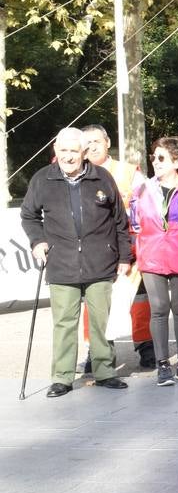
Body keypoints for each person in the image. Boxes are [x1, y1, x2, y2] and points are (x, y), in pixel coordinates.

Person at [22, 127, 133, 396]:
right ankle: (62, 377)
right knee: (64, 322)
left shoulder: (101, 177)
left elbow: (120, 221)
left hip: (100, 261)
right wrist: (38, 241)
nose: (68, 156)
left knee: (100, 320)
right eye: (63, 150)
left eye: (74, 151)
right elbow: (29, 216)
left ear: (84, 153)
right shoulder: (42, 179)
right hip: (61, 263)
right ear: (55, 151)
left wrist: (124, 256)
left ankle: (105, 371)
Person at [130, 136, 178, 386]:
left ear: (177, 161)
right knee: (159, 308)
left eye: (161, 158)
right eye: (154, 157)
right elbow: (133, 222)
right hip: (151, 256)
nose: (155, 162)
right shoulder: (141, 190)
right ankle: (163, 364)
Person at [82, 123, 152, 368]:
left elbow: (147, 207)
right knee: (93, 302)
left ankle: (145, 345)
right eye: (87, 142)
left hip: (130, 248)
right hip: (93, 250)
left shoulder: (128, 172)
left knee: (139, 299)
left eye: (96, 141)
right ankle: (97, 352)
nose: (91, 147)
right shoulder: (76, 173)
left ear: (108, 142)